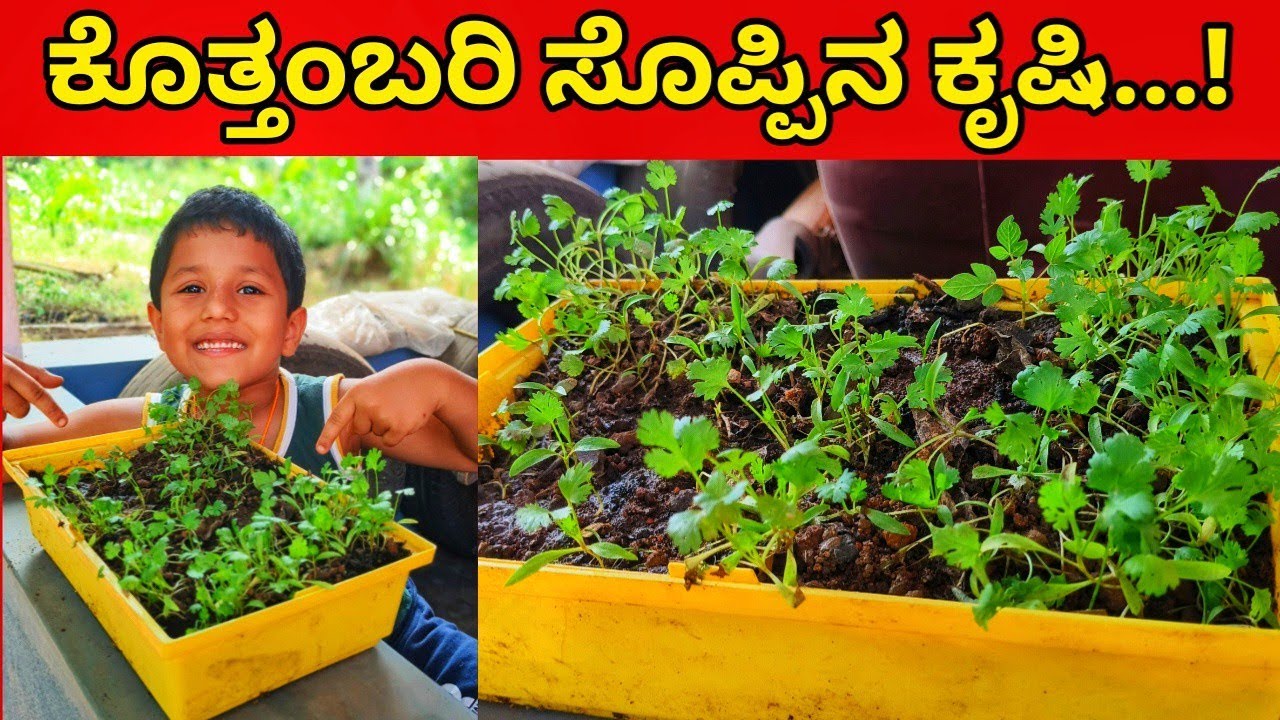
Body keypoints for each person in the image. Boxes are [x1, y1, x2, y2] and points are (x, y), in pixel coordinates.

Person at [2, 186, 479, 711]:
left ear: (292, 329)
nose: (219, 309)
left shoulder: (341, 414)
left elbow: (480, 450)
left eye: (249, 290)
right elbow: (11, 459)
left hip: (401, 641)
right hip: (243, 667)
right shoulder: (142, 422)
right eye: (191, 288)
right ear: (158, 325)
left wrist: (439, 382)